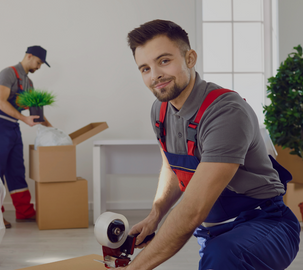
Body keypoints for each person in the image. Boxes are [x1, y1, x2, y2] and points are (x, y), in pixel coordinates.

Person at [115, 19, 301, 270]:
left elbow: (192, 211)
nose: (155, 75)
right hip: (215, 233)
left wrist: (135, 268)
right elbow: (173, 166)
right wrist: (155, 216)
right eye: (145, 68)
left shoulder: (226, 113)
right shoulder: (160, 110)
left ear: (190, 58)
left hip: (266, 223)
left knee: (223, 254)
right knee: (219, 251)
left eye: (164, 61)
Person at [0, 45, 52, 229]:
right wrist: (23, 118)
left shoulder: (29, 84)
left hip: (12, 128)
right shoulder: (8, 74)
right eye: (38, 62)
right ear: (29, 56)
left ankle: (24, 212)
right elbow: (0, 101)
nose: (38, 67)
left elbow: (37, 113)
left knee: (16, 170)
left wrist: (53, 130)